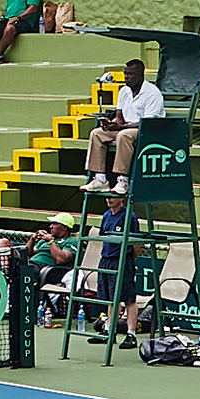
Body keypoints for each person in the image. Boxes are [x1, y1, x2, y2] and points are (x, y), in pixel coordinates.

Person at [82, 58, 164, 196]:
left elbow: (147, 122)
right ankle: (100, 180)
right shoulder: (123, 91)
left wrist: (120, 127)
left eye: (131, 74)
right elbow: (119, 117)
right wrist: (110, 123)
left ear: (141, 76)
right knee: (97, 133)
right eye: (125, 74)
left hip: (146, 130)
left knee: (123, 135)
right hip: (126, 127)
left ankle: (123, 180)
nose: (127, 77)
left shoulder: (152, 93)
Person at [85, 192, 139, 347]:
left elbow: (136, 244)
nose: (109, 199)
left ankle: (131, 335)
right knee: (111, 299)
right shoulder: (106, 215)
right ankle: (109, 331)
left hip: (122, 261)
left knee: (129, 299)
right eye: (107, 196)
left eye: (112, 196)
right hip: (106, 261)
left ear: (121, 198)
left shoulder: (130, 216)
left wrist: (128, 261)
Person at [25, 212, 78, 296]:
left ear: (64, 227)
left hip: (48, 269)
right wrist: (32, 239)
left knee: (26, 271)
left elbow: (61, 259)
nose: (50, 227)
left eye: (55, 224)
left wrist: (50, 241)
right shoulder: (45, 240)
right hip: (31, 264)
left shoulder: (71, 241)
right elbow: (27, 254)